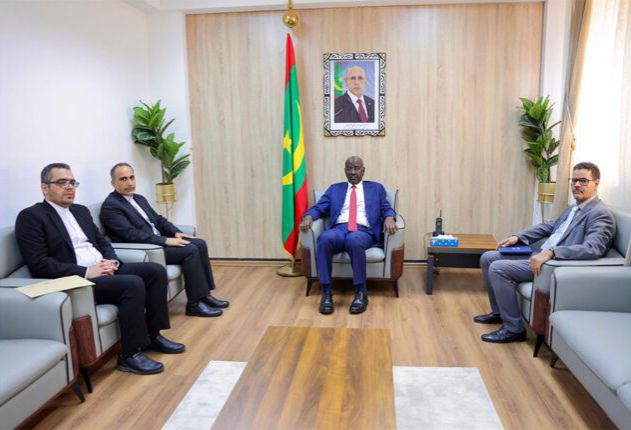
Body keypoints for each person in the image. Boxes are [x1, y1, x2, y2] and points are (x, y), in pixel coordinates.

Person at [15, 163, 184, 375]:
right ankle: (129, 355)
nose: (69, 187)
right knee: (132, 284)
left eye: (72, 182)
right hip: (76, 279)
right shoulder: (31, 217)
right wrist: (87, 272)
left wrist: (112, 261)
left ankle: (153, 336)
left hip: (103, 269)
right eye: (62, 182)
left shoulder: (80, 211)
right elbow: (39, 263)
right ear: (44, 188)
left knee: (154, 271)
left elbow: (102, 242)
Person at [475, 162, 616, 343]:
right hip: (539, 255)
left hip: (552, 265)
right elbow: (550, 226)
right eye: (574, 180)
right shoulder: (574, 208)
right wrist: (518, 237)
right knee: (488, 257)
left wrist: (551, 252)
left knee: (498, 268)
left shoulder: (600, 214)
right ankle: (499, 313)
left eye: (583, 181)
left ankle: (513, 329)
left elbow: (593, 248)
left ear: (596, 183)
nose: (576, 185)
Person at [100, 163, 229, 318]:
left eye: (132, 177)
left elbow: (159, 220)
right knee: (190, 250)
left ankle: (205, 295)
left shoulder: (139, 199)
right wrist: (165, 240)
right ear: (113, 183)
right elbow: (130, 234)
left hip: (157, 241)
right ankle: (194, 305)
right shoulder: (111, 206)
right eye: (123, 179)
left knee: (199, 244)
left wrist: (175, 233)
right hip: (146, 248)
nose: (130, 183)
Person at [300, 156, 398, 315]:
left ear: (363, 171)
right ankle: (326, 292)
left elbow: (386, 207)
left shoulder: (376, 188)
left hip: (363, 231)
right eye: (349, 168)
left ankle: (361, 293)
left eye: (356, 168)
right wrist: (309, 217)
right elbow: (319, 207)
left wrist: (389, 217)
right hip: (339, 229)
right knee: (325, 238)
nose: (352, 172)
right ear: (345, 171)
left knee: (354, 240)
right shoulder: (335, 189)